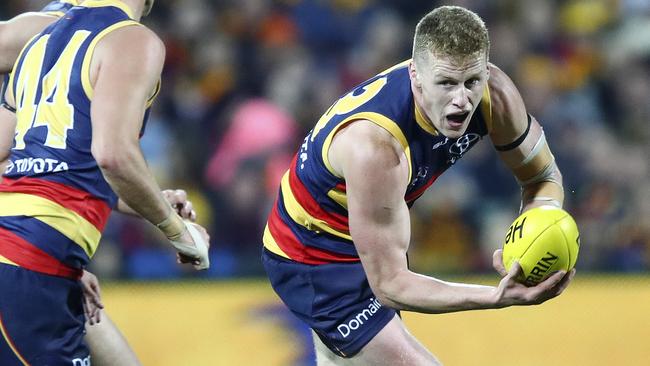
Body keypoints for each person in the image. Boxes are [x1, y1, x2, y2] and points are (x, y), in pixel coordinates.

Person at [262, 6, 575, 365]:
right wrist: (495, 297)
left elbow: (543, 178)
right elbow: (392, 285)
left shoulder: (496, 95)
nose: (462, 99)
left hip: (371, 232)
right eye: (446, 83)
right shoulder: (374, 147)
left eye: (472, 81)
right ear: (415, 75)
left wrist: (537, 230)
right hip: (314, 257)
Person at [0, 0, 210, 364]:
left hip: (29, 253)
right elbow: (113, 154)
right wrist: (177, 230)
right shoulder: (131, 39)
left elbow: (38, 164)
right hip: (28, 260)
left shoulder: (38, 40)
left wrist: (149, 199)